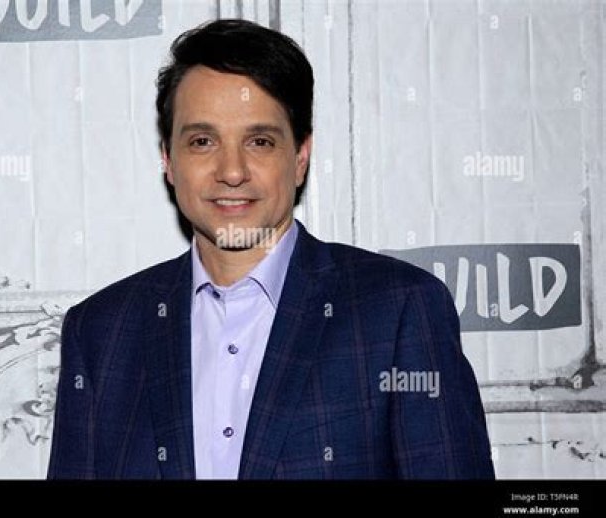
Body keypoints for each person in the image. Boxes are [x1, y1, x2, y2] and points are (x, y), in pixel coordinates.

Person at [47, 18, 495, 479]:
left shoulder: (398, 310)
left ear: (300, 157)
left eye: (259, 141)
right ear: (168, 159)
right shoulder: (101, 333)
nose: (232, 171)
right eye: (202, 141)